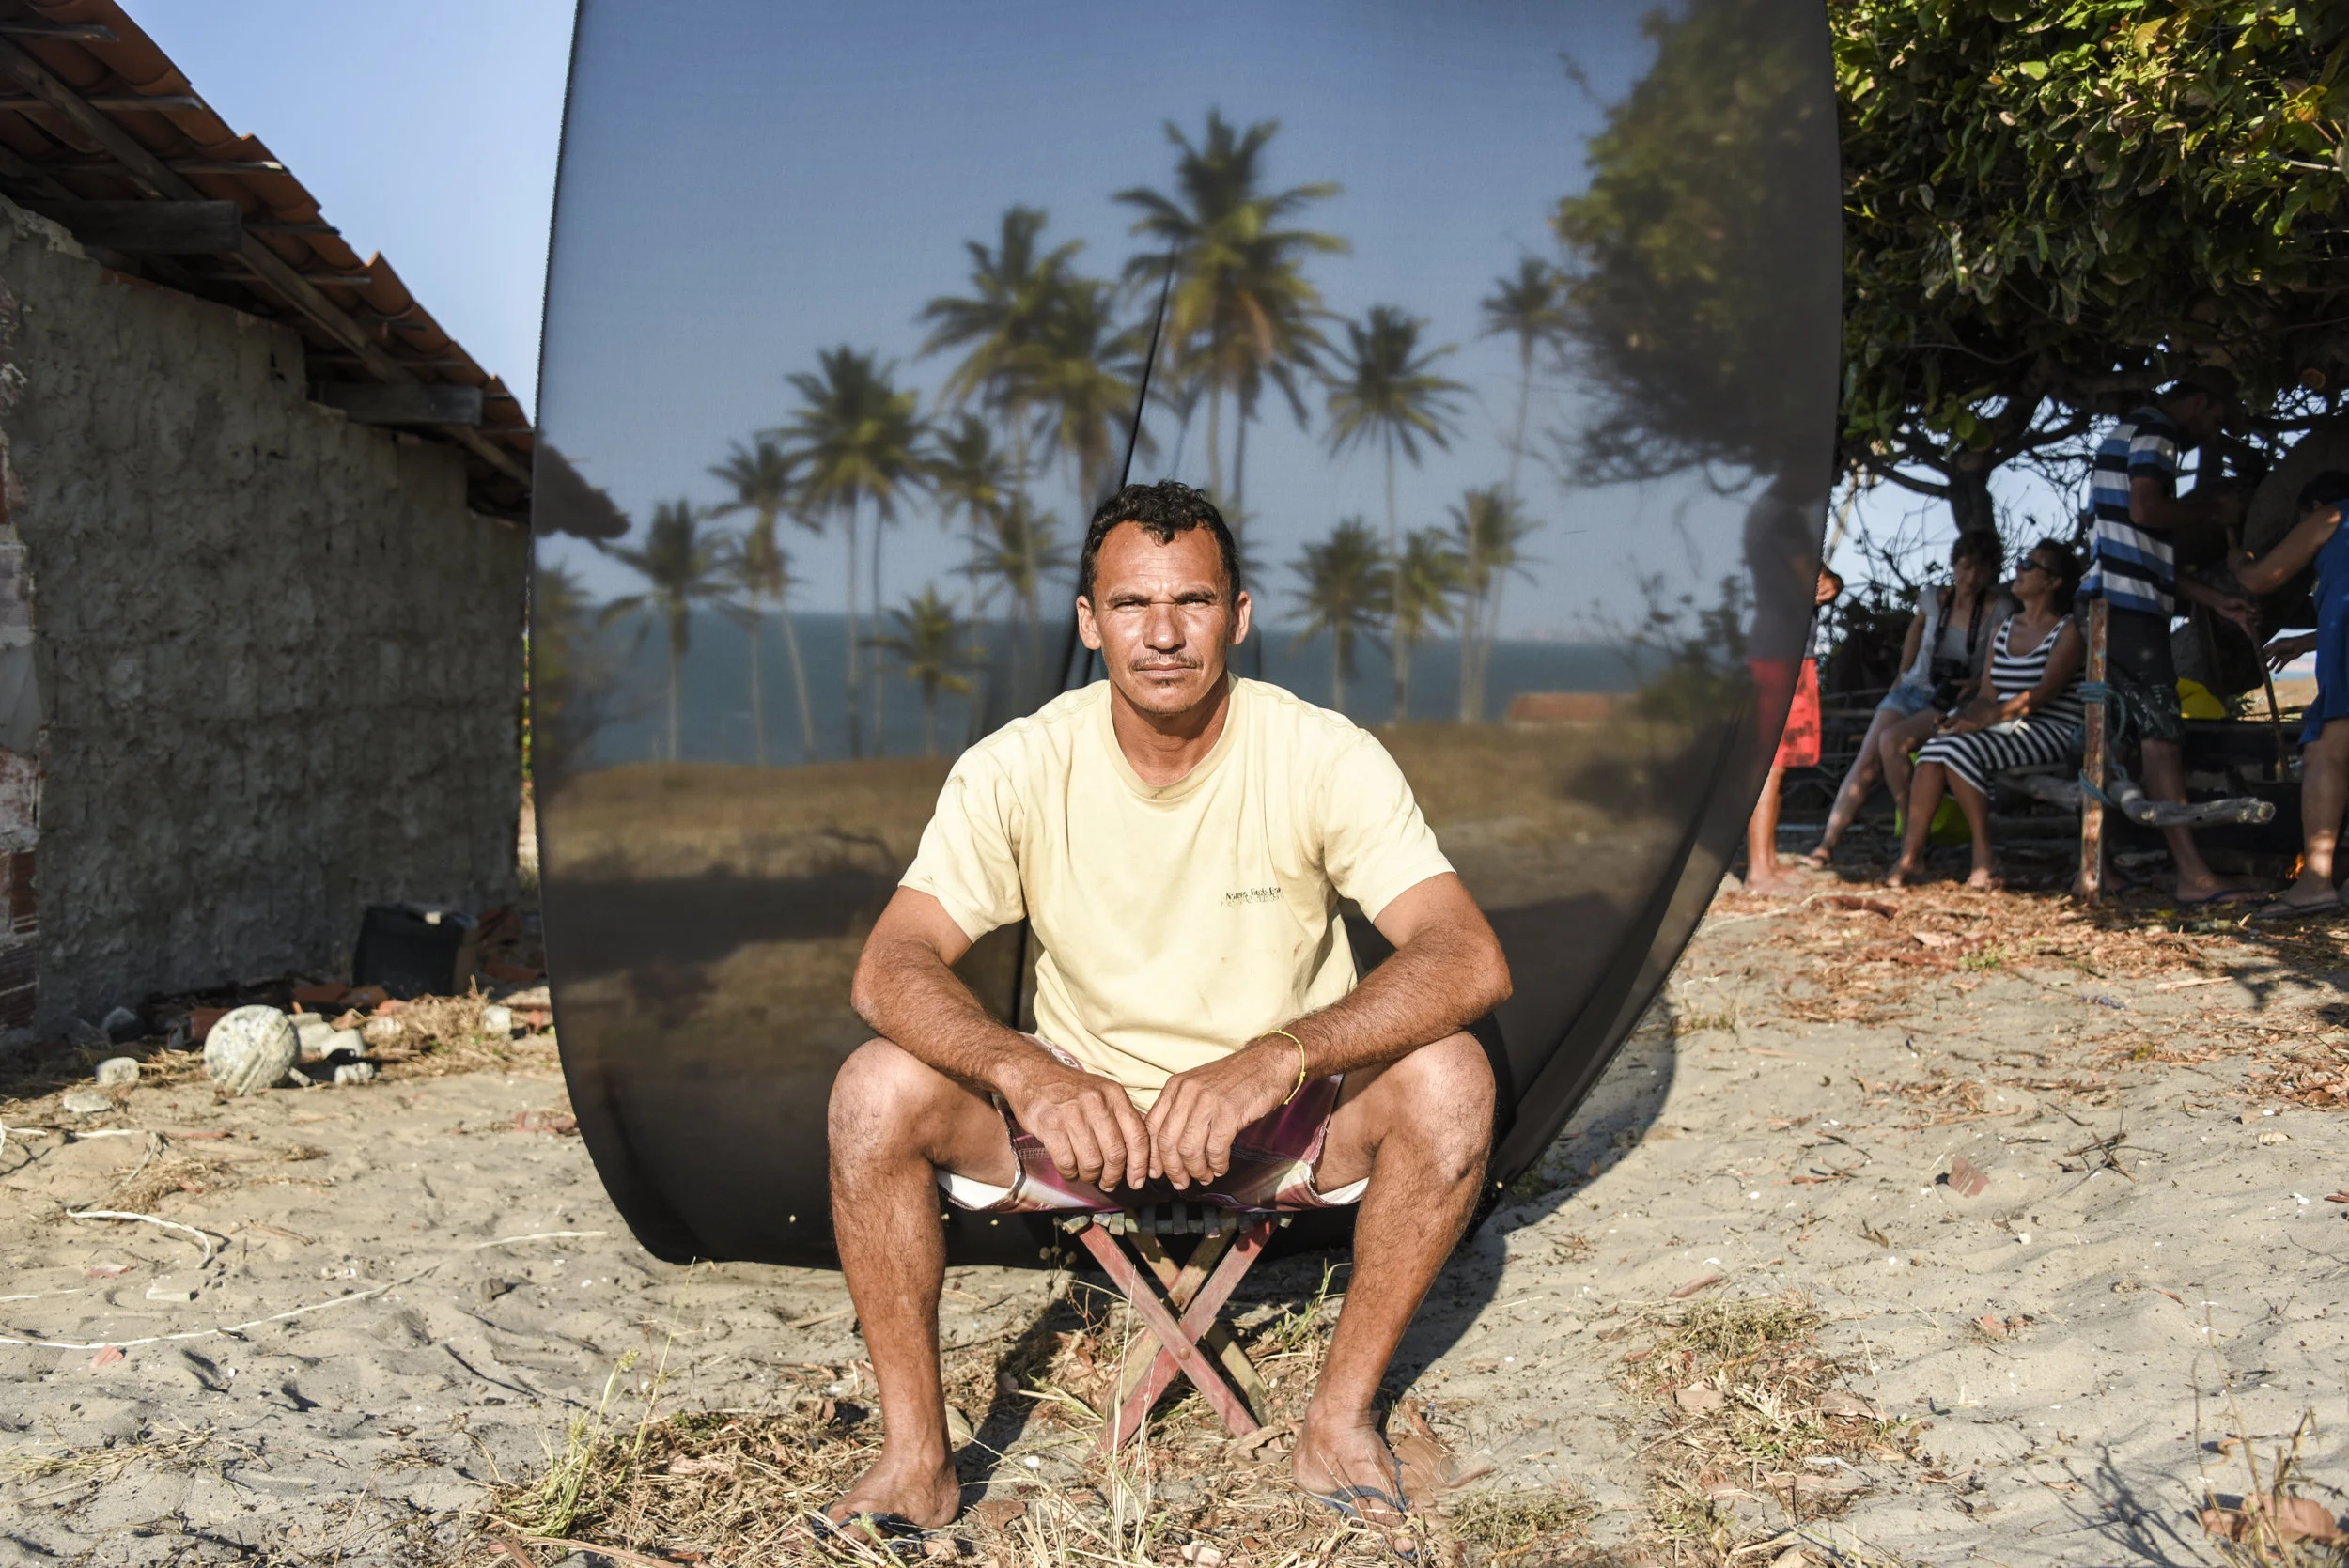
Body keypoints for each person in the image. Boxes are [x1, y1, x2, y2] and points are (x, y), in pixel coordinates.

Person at [821, 481, 1511, 1541]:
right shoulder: (1019, 762)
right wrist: (1029, 1072)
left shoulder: (1319, 752)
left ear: (1239, 614)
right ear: (1088, 621)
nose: (1163, 632)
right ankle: (916, 1459)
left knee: (1454, 1075)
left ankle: (1337, 1422)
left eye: (1192, 600)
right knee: (871, 1091)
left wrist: (1278, 1055)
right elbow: (889, 965)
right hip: (1076, 1122)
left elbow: (1467, 954)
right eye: (1132, 604)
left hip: (1279, 1119)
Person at [2079, 369, 2264, 905]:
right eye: (2217, 418)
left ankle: (2095, 869)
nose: (2214, 430)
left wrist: (2213, 599)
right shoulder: (2158, 432)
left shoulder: (2126, 432)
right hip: (2130, 611)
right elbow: (2147, 510)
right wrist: (2213, 509)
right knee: (2161, 736)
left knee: (2110, 737)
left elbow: (2137, 549)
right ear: (2200, 402)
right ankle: (2193, 876)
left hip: (2105, 604)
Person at [1804, 530, 2012, 866]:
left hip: (1953, 699)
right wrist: (1902, 672)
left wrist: (1974, 685)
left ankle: (1913, 839)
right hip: (1913, 688)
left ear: (1991, 571)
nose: (1971, 577)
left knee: (1892, 741)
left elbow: (1996, 661)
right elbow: (1916, 630)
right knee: (1867, 758)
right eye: (1965, 566)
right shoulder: (1933, 598)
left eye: (1980, 569)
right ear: (1954, 564)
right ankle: (1828, 845)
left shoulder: (1998, 609)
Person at [1887, 541, 2087, 889]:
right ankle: (1911, 857)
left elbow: (2041, 695)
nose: (2019, 569)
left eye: (2030, 565)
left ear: (2053, 582)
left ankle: (1984, 857)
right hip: (2004, 726)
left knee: (1954, 750)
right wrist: (1962, 719)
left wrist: (1985, 720)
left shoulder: (2067, 630)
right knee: (1936, 748)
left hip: (2050, 728)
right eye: (2020, 562)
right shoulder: (2003, 629)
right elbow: (1986, 697)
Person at [2231, 471, 2349, 918]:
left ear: (2312, 510)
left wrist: (2238, 561)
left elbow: (2261, 579)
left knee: (2325, 753)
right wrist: (2306, 641)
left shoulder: (2332, 516)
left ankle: (2315, 883)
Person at [1743, 563, 1843, 894]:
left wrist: (1833, 582)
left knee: (1780, 764)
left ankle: (1768, 861)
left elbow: (1820, 576)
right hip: (1773, 654)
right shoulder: (1772, 534)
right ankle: (1758, 873)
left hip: (1797, 653)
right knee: (1767, 763)